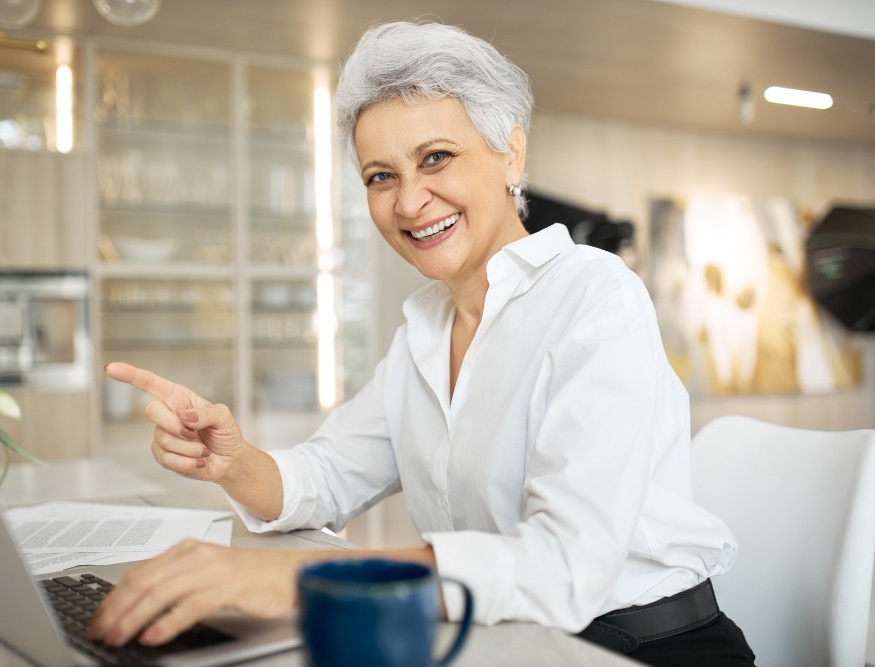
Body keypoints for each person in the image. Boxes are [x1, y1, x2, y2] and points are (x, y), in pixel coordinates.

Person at [88, 20, 756, 667]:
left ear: (511, 153)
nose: (409, 203)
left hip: (645, 648)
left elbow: (563, 566)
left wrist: (291, 579)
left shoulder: (595, 299)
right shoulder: (425, 331)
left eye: (436, 157)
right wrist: (232, 461)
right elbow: (325, 476)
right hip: (509, 636)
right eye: (381, 176)